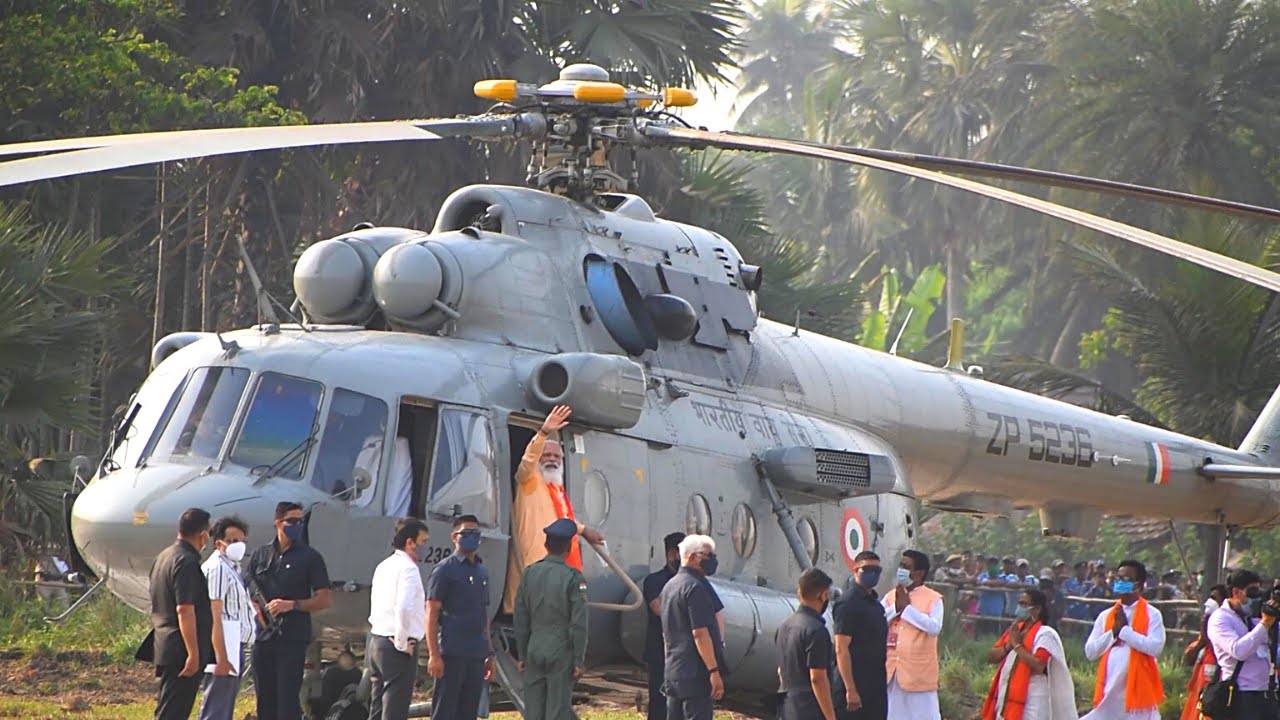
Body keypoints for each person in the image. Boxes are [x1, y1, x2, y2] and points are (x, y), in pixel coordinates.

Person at [503, 405, 605, 614]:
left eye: (556, 456)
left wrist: (584, 530)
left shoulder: (556, 488)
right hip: (535, 565)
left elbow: (562, 520)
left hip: (559, 566)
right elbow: (528, 460)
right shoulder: (528, 480)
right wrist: (543, 432)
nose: (551, 459)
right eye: (546, 455)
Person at [247, 501, 332, 720]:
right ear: (278, 523)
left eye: (300, 521)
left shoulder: (310, 557)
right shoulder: (260, 554)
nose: (298, 525)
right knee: (264, 701)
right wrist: (252, 607)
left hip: (292, 638)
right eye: (292, 521)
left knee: (287, 704)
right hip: (262, 637)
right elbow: (246, 588)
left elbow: (323, 599)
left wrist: (292, 605)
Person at [142, 508, 214, 720]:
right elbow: (184, 609)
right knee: (174, 712)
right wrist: (193, 654)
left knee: (168, 708)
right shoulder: (187, 562)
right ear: (203, 534)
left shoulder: (164, 557)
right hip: (181, 648)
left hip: (165, 643)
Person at [514, 518, 589, 720]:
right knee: (557, 711)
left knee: (533, 711)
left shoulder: (529, 573)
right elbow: (579, 623)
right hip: (560, 650)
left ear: (546, 545)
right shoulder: (573, 577)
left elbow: (520, 618)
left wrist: (522, 654)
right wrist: (579, 660)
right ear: (569, 547)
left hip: (534, 647)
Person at [426, 514, 494, 720]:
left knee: (468, 712)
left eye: (476, 533)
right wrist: (434, 655)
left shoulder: (482, 571)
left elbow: (484, 616)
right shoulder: (445, 570)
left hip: (475, 654)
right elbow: (431, 612)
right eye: (466, 533)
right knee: (444, 711)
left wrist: (489, 653)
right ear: (454, 536)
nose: (471, 538)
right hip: (452, 653)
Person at [1081, 560, 1165, 720]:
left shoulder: (1152, 614)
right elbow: (1090, 652)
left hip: (1138, 696)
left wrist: (1125, 631)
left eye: (1125, 580)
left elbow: (1156, 648)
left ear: (1139, 586)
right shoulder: (1106, 616)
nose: (1119, 583)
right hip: (1109, 693)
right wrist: (1113, 632)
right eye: (1118, 578)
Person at [981, 589, 1077, 720]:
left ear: (1037, 609)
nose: (1019, 607)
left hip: (1034, 697)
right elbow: (991, 656)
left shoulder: (1045, 634)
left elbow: (1038, 665)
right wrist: (1009, 645)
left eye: (1023, 604)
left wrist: (1017, 646)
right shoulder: (1015, 629)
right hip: (1008, 695)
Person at [366, 518, 429, 720]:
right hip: (397, 646)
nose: (424, 547)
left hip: (377, 641)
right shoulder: (409, 569)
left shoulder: (383, 566)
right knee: (395, 711)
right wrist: (402, 644)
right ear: (410, 542)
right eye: (423, 542)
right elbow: (402, 607)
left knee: (376, 708)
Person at [659, 534, 724, 720]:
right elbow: (700, 633)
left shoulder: (669, 587)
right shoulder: (696, 588)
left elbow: (666, 635)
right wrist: (714, 670)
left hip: (674, 671)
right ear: (695, 557)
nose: (713, 560)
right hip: (696, 673)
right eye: (709, 555)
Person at [198, 516, 255, 720]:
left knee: (224, 704)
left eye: (240, 541)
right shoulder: (218, 569)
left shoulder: (232, 569)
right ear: (219, 542)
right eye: (232, 541)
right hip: (224, 644)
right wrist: (221, 657)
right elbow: (215, 613)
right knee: (217, 706)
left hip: (233, 644)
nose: (237, 546)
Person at [1205, 569, 1279, 717]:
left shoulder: (1256, 616)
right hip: (1240, 693)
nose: (1255, 597)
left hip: (1267, 692)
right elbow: (1239, 651)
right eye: (1251, 592)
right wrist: (1264, 624)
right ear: (1236, 592)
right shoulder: (1220, 619)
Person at [883, 550, 944, 720]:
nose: (901, 569)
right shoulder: (890, 595)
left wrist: (907, 610)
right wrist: (896, 608)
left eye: (906, 566)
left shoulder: (934, 598)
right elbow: (878, 621)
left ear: (919, 573)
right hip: (892, 670)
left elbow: (934, 627)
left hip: (919, 673)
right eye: (901, 565)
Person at [776, 568, 838, 720]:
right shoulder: (816, 630)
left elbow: (780, 670)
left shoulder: (784, 626)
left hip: (787, 706)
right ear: (823, 595)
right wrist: (830, 716)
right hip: (809, 708)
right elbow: (817, 678)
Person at [833, 551, 888, 720]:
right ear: (856, 570)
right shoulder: (848, 603)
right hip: (853, 688)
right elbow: (841, 649)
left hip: (875, 687)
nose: (873, 574)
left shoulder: (876, 605)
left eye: (877, 570)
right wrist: (851, 689)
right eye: (867, 569)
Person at [642, 532, 686, 720]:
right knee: (660, 703)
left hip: (686, 655)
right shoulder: (655, 581)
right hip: (661, 653)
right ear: (670, 555)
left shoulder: (695, 581)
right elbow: (658, 608)